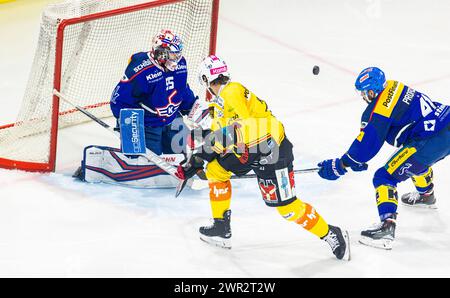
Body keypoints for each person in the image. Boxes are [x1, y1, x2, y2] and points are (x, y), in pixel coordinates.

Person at [178, 55, 350, 260]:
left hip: (272, 148)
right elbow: (222, 136)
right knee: (216, 170)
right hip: (251, 149)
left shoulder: (231, 92)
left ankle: (331, 233)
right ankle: (221, 226)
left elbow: (236, 131)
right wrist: (199, 158)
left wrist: (201, 155)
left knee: (287, 209)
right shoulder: (221, 102)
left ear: (206, 80)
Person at [317, 67, 450, 250]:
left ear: (371, 91)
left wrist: (342, 164)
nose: (363, 96)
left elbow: (367, 144)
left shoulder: (379, 109)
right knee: (412, 160)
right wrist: (357, 159)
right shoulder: (394, 86)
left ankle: (386, 228)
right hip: (446, 121)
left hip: (430, 140)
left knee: (384, 177)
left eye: (364, 92)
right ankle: (426, 195)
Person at [75, 29, 204, 188]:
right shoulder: (140, 71)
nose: (177, 58)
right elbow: (119, 101)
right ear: (161, 54)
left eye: (178, 54)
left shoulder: (181, 64)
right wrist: (129, 129)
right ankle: (95, 166)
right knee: (146, 165)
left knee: (183, 155)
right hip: (147, 124)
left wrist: (192, 107)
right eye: (172, 55)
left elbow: (182, 88)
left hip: (172, 120)